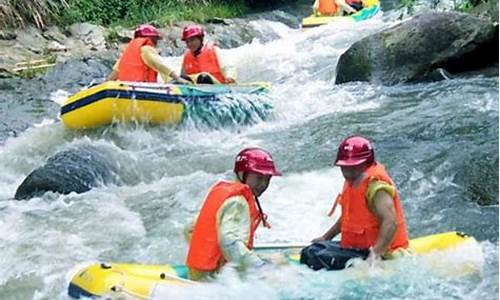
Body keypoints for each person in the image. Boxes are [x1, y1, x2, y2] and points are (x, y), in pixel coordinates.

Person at [301, 135, 409, 271]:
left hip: (385, 254)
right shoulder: (353, 181)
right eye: (344, 167)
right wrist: (325, 237)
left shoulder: (376, 186)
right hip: (356, 250)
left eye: (353, 167)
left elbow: (390, 222)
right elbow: (346, 218)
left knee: (315, 258)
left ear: (366, 164)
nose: (348, 173)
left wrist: (375, 255)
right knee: (310, 252)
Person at [185, 147, 281, 280]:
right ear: (242, 174)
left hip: (201, 272)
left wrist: (206, 255)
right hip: (214, 279)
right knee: (280, 265)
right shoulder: (238, 202)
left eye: (267, 179)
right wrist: (260, 268)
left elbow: (190, 229)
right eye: (259, 178)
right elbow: (228, 241)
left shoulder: (227, 195)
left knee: (276, 261)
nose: (263, 184)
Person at [107, 24, 190, 84]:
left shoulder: (127, 53)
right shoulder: (146, 49)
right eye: (155, 38)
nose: (156, 42)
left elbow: (114, 74)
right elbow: (160, 65)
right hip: (141, 87)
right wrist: (177, 78)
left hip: (126, 87)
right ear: (150, 38)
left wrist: (106, 84)